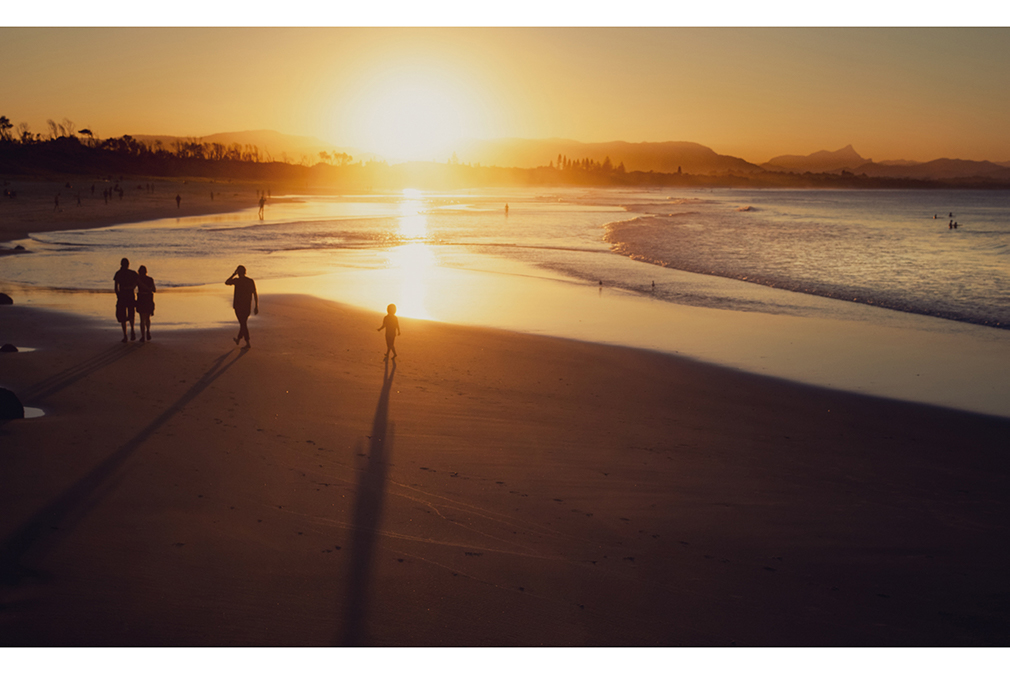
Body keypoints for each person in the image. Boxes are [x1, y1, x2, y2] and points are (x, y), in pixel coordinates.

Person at [226, 265, 258, 348]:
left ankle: (247, 343)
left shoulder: (237, 281)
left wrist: (233, 274)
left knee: (243, 323)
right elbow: (254, 293)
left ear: (238, 272)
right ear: (245, 272)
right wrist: (256, 306)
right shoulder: (250, 281)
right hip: (247, 306)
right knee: (243, 323)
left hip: (238, 306)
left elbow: (227, 282)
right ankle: (238, 339)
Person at [113, 257, 139, 342]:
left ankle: (125, 335)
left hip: (122, 295)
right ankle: (132, 330)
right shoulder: (132, 273)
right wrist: (133, 287)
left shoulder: (118, 273)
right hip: (130, 294)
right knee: (131, 313)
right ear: (128, 264)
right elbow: (137, 281)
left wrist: (118, 295)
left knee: (122, 316)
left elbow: (116, 287)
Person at [136, 265, 156, 342]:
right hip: (149, 298)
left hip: (141, 298)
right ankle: (148, 331)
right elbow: (154, 290)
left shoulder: (138, 280)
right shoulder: (150, 279)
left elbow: (133, 287)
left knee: (142, 319)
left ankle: (143, 336)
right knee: (148, 317)